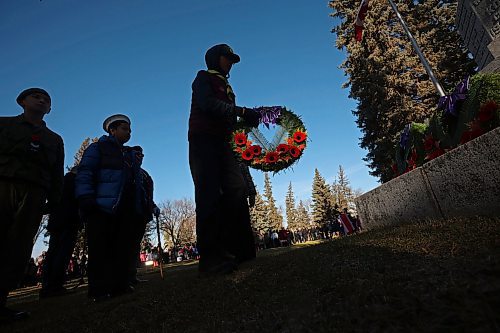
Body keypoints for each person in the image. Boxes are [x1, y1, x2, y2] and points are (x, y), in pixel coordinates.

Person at [188, 44, 260, 276]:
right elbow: (208, 104)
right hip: (203, 140)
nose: (230, 63)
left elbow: (227, 115)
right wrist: (241, 111)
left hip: (224, 142)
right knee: (208, 194)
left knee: (237, 189)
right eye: (227, 58)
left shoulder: (227, 86)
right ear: (214, 59)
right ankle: (211, 259)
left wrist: (244, 123)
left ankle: (240, 249)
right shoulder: (203, 78)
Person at [0, 88, 64, 322]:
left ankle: (1, 301)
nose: (42, 100)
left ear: (49, 109)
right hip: (3, 185)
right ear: (22, 101)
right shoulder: (4, 125)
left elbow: (57, 173)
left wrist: (55, 201)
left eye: (47, 99)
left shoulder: (54, 140)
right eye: (36, 96)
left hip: (35, 194)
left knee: (18, 247)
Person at [75, 114, 142, 301]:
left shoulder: (129, 154)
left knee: (122, 246)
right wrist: (85, 196)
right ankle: (99, 289)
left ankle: (120, 285)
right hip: (101, 206)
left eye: (130, 129)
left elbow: (135, 183)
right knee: (100, 247)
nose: (128, 133)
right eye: (124, 128)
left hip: (124, 207)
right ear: (112, 129)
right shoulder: (97, 148)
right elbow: (86, 171)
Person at [40, 167, 82, 298]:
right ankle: (55, 285)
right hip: (69, 221)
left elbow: (52, 201)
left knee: (52, 253)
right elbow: (79, 201)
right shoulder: (76, 183)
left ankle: (46, 286)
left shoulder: (61, 182)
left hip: (56, 222)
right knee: (63, 253)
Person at [127, 146, 160, 286]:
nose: (140, 156)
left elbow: (146, 195)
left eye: (141, 155)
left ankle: (131, 275)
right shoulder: (125, 170)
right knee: (126, 244)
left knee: (134, 245)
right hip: (127, 211)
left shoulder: (145, 175)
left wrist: (152, 206)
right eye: (136, 154)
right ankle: (123, 277)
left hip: (141, 213)